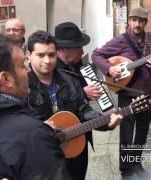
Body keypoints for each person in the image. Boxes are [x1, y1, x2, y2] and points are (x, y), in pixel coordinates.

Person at [26, 30, 122, 180]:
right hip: (40, 156)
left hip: (74, 150)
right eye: (40, 55)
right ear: (29, 55)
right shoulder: (22, 86)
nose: (47, 60)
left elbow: (83, 110)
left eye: (51, 55)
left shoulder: (70, 80)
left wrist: (107, 122)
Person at [92, 7, 151, 178]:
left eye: (140, 21)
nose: (137, 24)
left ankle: (136, 163)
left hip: (147, 95)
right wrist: (110, 69)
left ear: (145, 23)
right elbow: (96, 55)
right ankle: (125, 169)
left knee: (141, 133)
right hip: (127, 95)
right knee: (126, 134)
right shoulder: (120, 41)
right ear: (129, 22)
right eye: (134, 20)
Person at [0, 33, 70, 179]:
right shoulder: (32, 135)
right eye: (23, 65)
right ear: (5, 78)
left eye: (52, 54)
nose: (28, 69)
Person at [55, 22, 103, 100]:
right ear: (64, 49)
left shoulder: (77, 64)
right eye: (79, 48)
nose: (83, 52)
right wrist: (83, 93)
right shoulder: (51, 68)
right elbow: (55, 98)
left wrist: (94, 91)